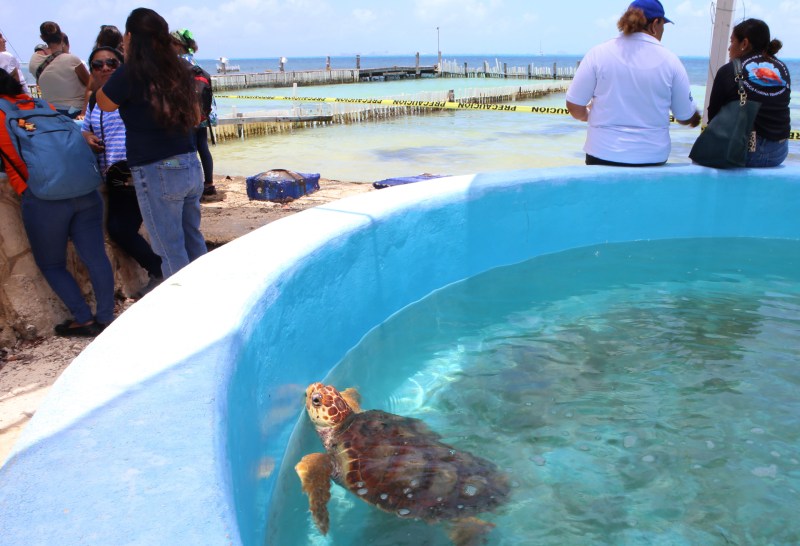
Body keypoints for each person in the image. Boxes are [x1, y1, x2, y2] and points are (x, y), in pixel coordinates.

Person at [0, 69, 114, 336]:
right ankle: (107, 317)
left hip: (44, 200)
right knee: (96, 256)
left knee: (52, 264)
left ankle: (84, 319)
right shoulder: (43, 105)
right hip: (86, 191)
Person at [97, 8, 207, 278]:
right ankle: (207, 298)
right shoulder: (181, 69)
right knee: (193, 239)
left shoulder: (131, 73)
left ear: (131, 36)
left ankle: (184, 312)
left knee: (169, 250)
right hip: (190, 163)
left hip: (157, 168)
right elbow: (195, 116)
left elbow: (103, 103)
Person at [565, 0, 700, 166]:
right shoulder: (671, 61)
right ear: (655, 24)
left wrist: (587, 114)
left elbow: (573, 105)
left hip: (602, 153)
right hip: (652, 158)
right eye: (663, 25)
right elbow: (685, 117)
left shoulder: (598, 53)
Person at [81, 46, 163, 295]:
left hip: (138, 172)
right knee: (120, 229)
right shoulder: (95, 99)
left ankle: (159, 271)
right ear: (92, 70)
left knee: (121, 229)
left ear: (122, 66)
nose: (105, 68)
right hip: (114, 178)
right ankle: (162, 270)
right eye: (98, 65)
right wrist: (87, 137)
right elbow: (85, 127)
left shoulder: (134, 94)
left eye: (111, 63)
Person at [706, 19, 791, 168]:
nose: (729, 48)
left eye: (732, 42)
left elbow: (713, 116)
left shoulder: (728, 70)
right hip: (779, 151)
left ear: (744, 44)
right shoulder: (782, 69)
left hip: (748, 152)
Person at [171, 28, 217, 197]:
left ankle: (192, 184)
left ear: (177, 45)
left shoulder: (176, 63)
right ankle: (209, 183)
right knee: (202, 146)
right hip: (204, 111)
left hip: (186, 113)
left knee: (188, 148)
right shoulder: (196, 62)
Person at [28, 21, 89, 119]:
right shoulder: (72, 60)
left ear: (42, 38)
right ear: (61, 36)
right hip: (75, 111)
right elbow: (90, 85)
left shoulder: (34, 60)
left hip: (50, 112)